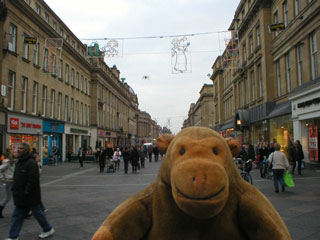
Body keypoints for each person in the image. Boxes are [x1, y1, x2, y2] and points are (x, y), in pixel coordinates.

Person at [6, 143, 54, 239]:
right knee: (18, 216)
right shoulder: (19, 162)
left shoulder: (31, 163)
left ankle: (48, 229)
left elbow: (33, 180)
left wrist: (26, 191)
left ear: (26, 150)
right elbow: (17, 177)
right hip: (21, 195)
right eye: (18, 148)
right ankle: (13, 236)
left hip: (30, 195)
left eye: (21, 148)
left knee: (38, 214)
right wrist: (14, 188)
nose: (18, 150)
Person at [0, 149, 17, 218]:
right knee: (8, 197)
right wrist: (2, 179)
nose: (16, 153)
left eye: (17, 152)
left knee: (9, 197)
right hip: (10, 181)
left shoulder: (17, 161)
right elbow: (0, 169)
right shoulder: (8, 162)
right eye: (14, 152)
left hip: (14, 181)